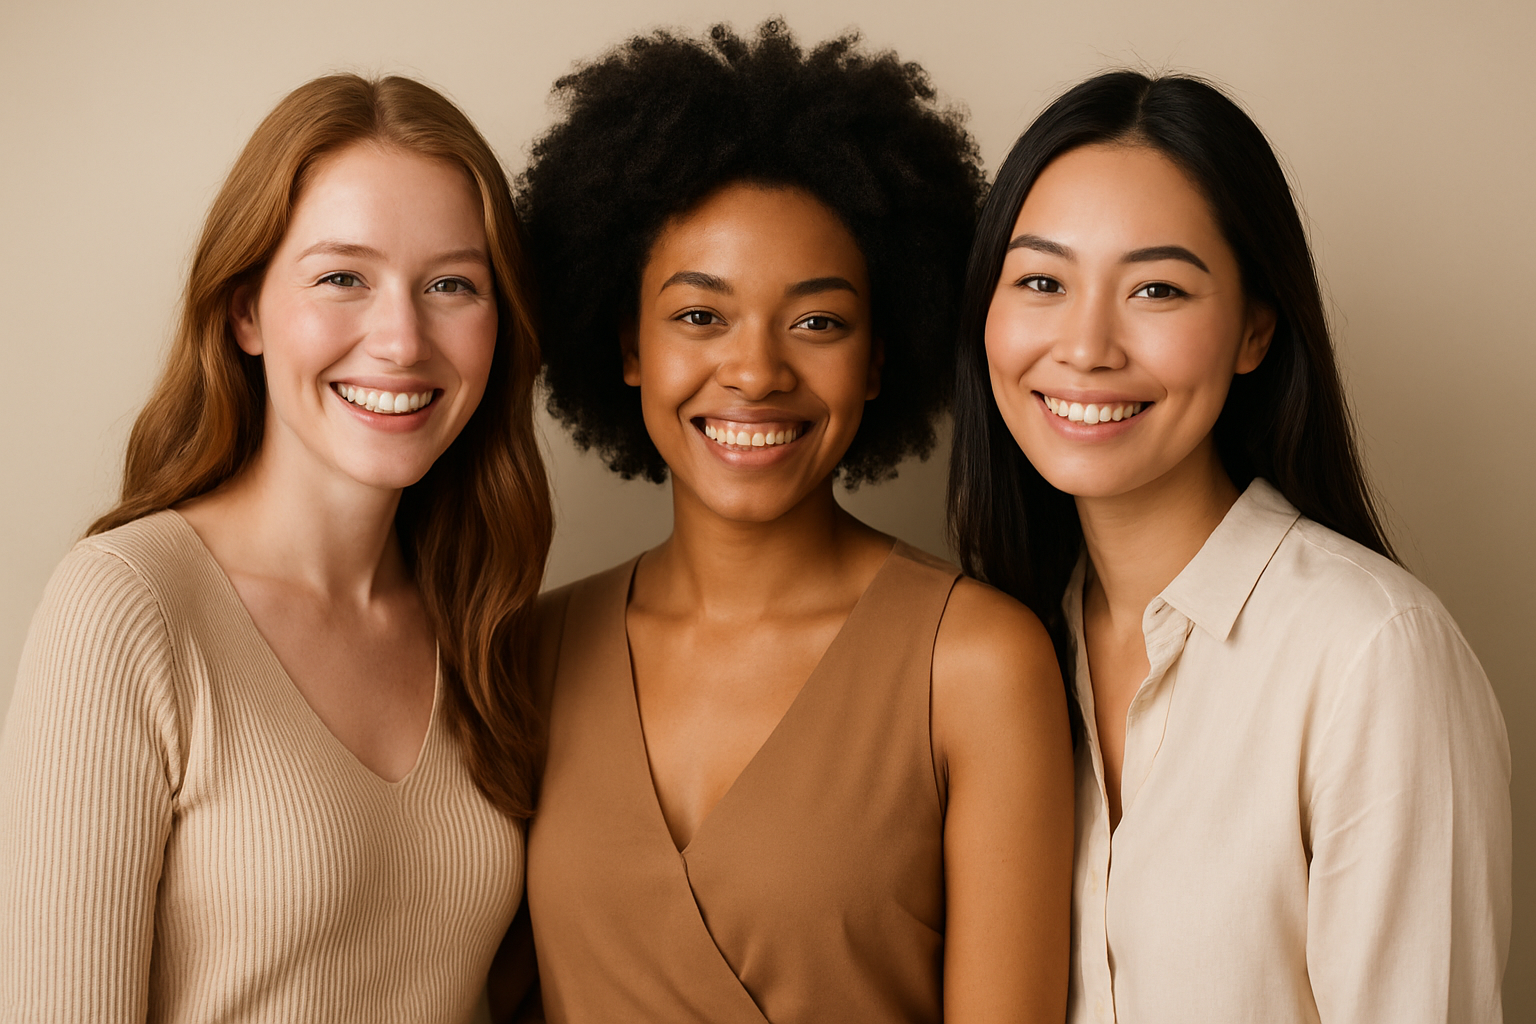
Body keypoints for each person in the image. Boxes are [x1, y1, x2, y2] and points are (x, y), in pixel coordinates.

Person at [501, 21, 1073, 1024]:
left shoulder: (976, 664)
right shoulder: (532, 653)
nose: (758, 372)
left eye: (818, 322)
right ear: (627, 346)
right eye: (700, 316)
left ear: (880, 357)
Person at [949, 69, 1511, 1023]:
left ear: (1254, 331)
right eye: (1042, 281)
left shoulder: (1371, 655)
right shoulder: (1007, 650)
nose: (1085, 347)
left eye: (1157, 289)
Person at [0, 74, 551, 1021]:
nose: (401, 340)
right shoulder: (127, 606)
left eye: (451, 285)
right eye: (343, 278)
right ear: (245, 310)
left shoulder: (484, 618)